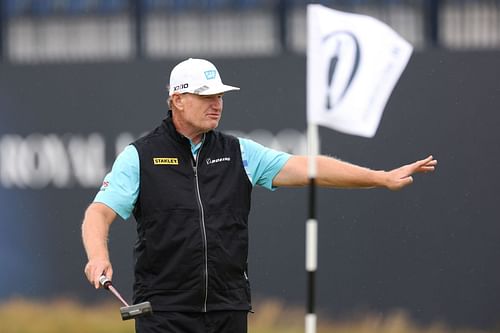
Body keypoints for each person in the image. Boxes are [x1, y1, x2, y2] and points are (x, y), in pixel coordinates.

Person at [82, 58, 437, 333]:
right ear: (177, 99)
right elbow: (99, 213)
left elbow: (308, 168)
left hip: (227, 309)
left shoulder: (239, 152)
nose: (216, 103)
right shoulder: (140, 156)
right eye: (206, 96)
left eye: (219, 96)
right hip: (165, 312)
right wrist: (98, 257)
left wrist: (379, 177)